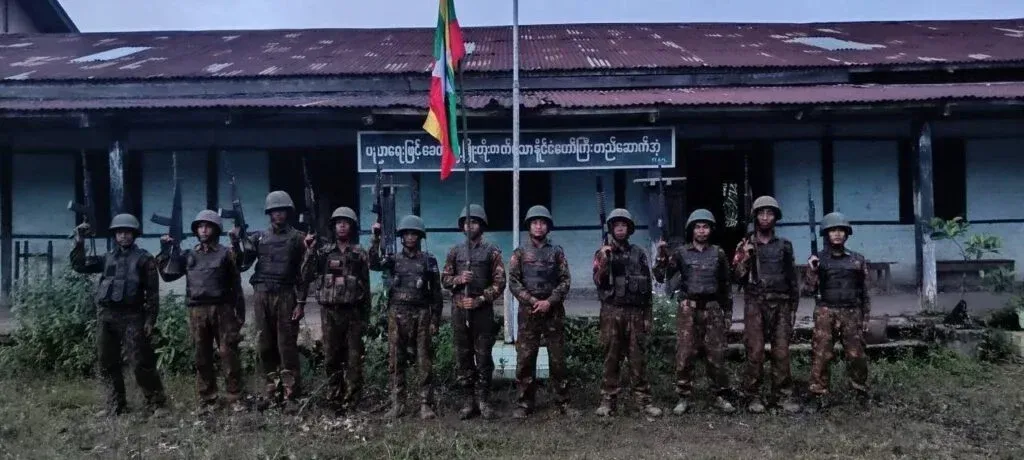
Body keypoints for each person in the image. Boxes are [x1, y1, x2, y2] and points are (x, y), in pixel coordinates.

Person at [70, 214, 167, 417]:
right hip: (107, 316)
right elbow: (79, 266)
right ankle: (116, 404)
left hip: (133, 316)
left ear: (134, 234)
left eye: (127, 232)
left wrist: (150, 320)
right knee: (107, 361)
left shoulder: (144, 259)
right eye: (119, 232)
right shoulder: (107, 258)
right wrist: (80, 241)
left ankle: (157, 403)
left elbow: (152, 293)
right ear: (115, 235)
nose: (123, 236)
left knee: (140, 361)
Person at [156, 210, 246, 414]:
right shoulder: (189, 255)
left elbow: (238, 273)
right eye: (200, 226)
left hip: (222, 309)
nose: (203, 230)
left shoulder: (225, 253)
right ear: (196, 230)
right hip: (197, 310)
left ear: (216, 229)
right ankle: (208, 398)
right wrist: (165, 250)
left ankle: (235, 396)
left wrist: (236, 243)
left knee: (228, 353)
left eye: (208, 226)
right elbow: (168, 275)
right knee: (201, 355)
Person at [654, 209, 736, 415]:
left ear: (711, 230)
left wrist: (727, 314)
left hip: (713, 310)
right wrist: (661, 256)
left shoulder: (718, 253)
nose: (701, 230)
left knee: (716, 355)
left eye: (705, 226)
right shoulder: (681, 253)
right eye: (698, 227)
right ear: (692, 230)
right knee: (684, 354)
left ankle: (720, 395)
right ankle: (683, 396)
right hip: (688, 311)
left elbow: (726, 285)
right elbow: (662, 275)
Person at [231, 190, 308, 408]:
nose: (278, 215)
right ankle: (272, 391)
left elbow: (305, 273)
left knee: (286, 346)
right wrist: (236, 242)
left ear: (288, 212)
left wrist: (301, 302)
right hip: (262, 295)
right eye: (274, 211)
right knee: (265, 345)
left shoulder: (297, 238)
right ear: (269, 214)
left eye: (282, 211)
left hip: (285, 295)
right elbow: (242, 263)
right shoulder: (259, 238)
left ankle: (291, 394)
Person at [732, 195, 801, 414]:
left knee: (781, 353)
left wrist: (793, 309)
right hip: (755, 305)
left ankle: (783, 396)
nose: (765, 217)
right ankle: (752, 395)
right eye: (761, 213)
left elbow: (792, 280)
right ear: (755, 217)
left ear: (775, 218)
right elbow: (737, 278)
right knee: (755, 352)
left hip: (780, 305)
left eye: (769, 213)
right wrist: (745, 258)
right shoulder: (745, 244)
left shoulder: (784, 246)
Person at [370, 214, 443, 420]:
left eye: (414, 234)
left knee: (424, 361)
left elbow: (436, 293)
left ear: (420, 236)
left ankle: (425, 404)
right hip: (397, 314)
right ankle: (397, 403)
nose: (410, 237)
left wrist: (435, 320)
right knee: (395, 360)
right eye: (406, 234)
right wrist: (375, 238)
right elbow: (373, 263)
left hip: (421, 314)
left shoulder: (429, 260)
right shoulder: (393, 259)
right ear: (401, 237)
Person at [507, 205, 576, 418]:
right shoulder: (519, 253)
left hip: (553, 313)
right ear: (529, 226)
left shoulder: (557, 252)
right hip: (529, 314)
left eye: (542, 222)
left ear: (548, 227)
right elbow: (514, 281)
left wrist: (549, 301)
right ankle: (524, 403)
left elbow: (565, 280)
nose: (539, 226)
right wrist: (532, 300)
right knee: (526, 358)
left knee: (557, 359)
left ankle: (562, 401)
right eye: (535, 222)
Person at [592, 208, 662, 418]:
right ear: (612, 229)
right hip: (612, 313)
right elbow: (598, 280)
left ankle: (643, 401)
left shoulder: (639, 253)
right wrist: (604, 260)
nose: (620, 229)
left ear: (629, 229)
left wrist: (648, 317)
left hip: (636, 313)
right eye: (616, 225)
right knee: (611, 357)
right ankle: (608, 400)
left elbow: (648, 286)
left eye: (624, 225)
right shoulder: (603, 253)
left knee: (638, 358)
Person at [300, 206, 370, 413]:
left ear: (352, 227)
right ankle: (334, 397)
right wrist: (309, 250)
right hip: (329, 313)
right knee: (331, 357)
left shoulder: (359, 254)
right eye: (338, 222)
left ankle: (352, 399)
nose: (342, 225)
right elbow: (305, 275)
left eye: (346, 222)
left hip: (353, 313)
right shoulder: (322, 253)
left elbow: (365, 286)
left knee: (354, 358)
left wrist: (366, 317)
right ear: (333, 226)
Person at [441, 204, 506, 420]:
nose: (471, 226)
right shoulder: (454, 252)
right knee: (463, 356)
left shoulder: (492, 251)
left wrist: (479, 299)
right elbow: (445, 279)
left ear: (482, 225)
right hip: (460, 311)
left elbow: (500, 283)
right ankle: (468, 401)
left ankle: (484, 400)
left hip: (482, 312)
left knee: (484, 357)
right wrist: (459, 280)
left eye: (475, 222)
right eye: (467, 222)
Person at [805, 212, 871, 410]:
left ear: (847, 234)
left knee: (856, 355)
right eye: (833, 230)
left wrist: (865, 316)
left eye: (841, 230)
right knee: (821, 354)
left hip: (852, 312)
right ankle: (818, 393)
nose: (837, 234)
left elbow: (864, 291)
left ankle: (859, 392)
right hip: (826, 312)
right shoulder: (818, 260)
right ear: (826, 234)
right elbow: (807, 290)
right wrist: (812, 270)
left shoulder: (857, 260)